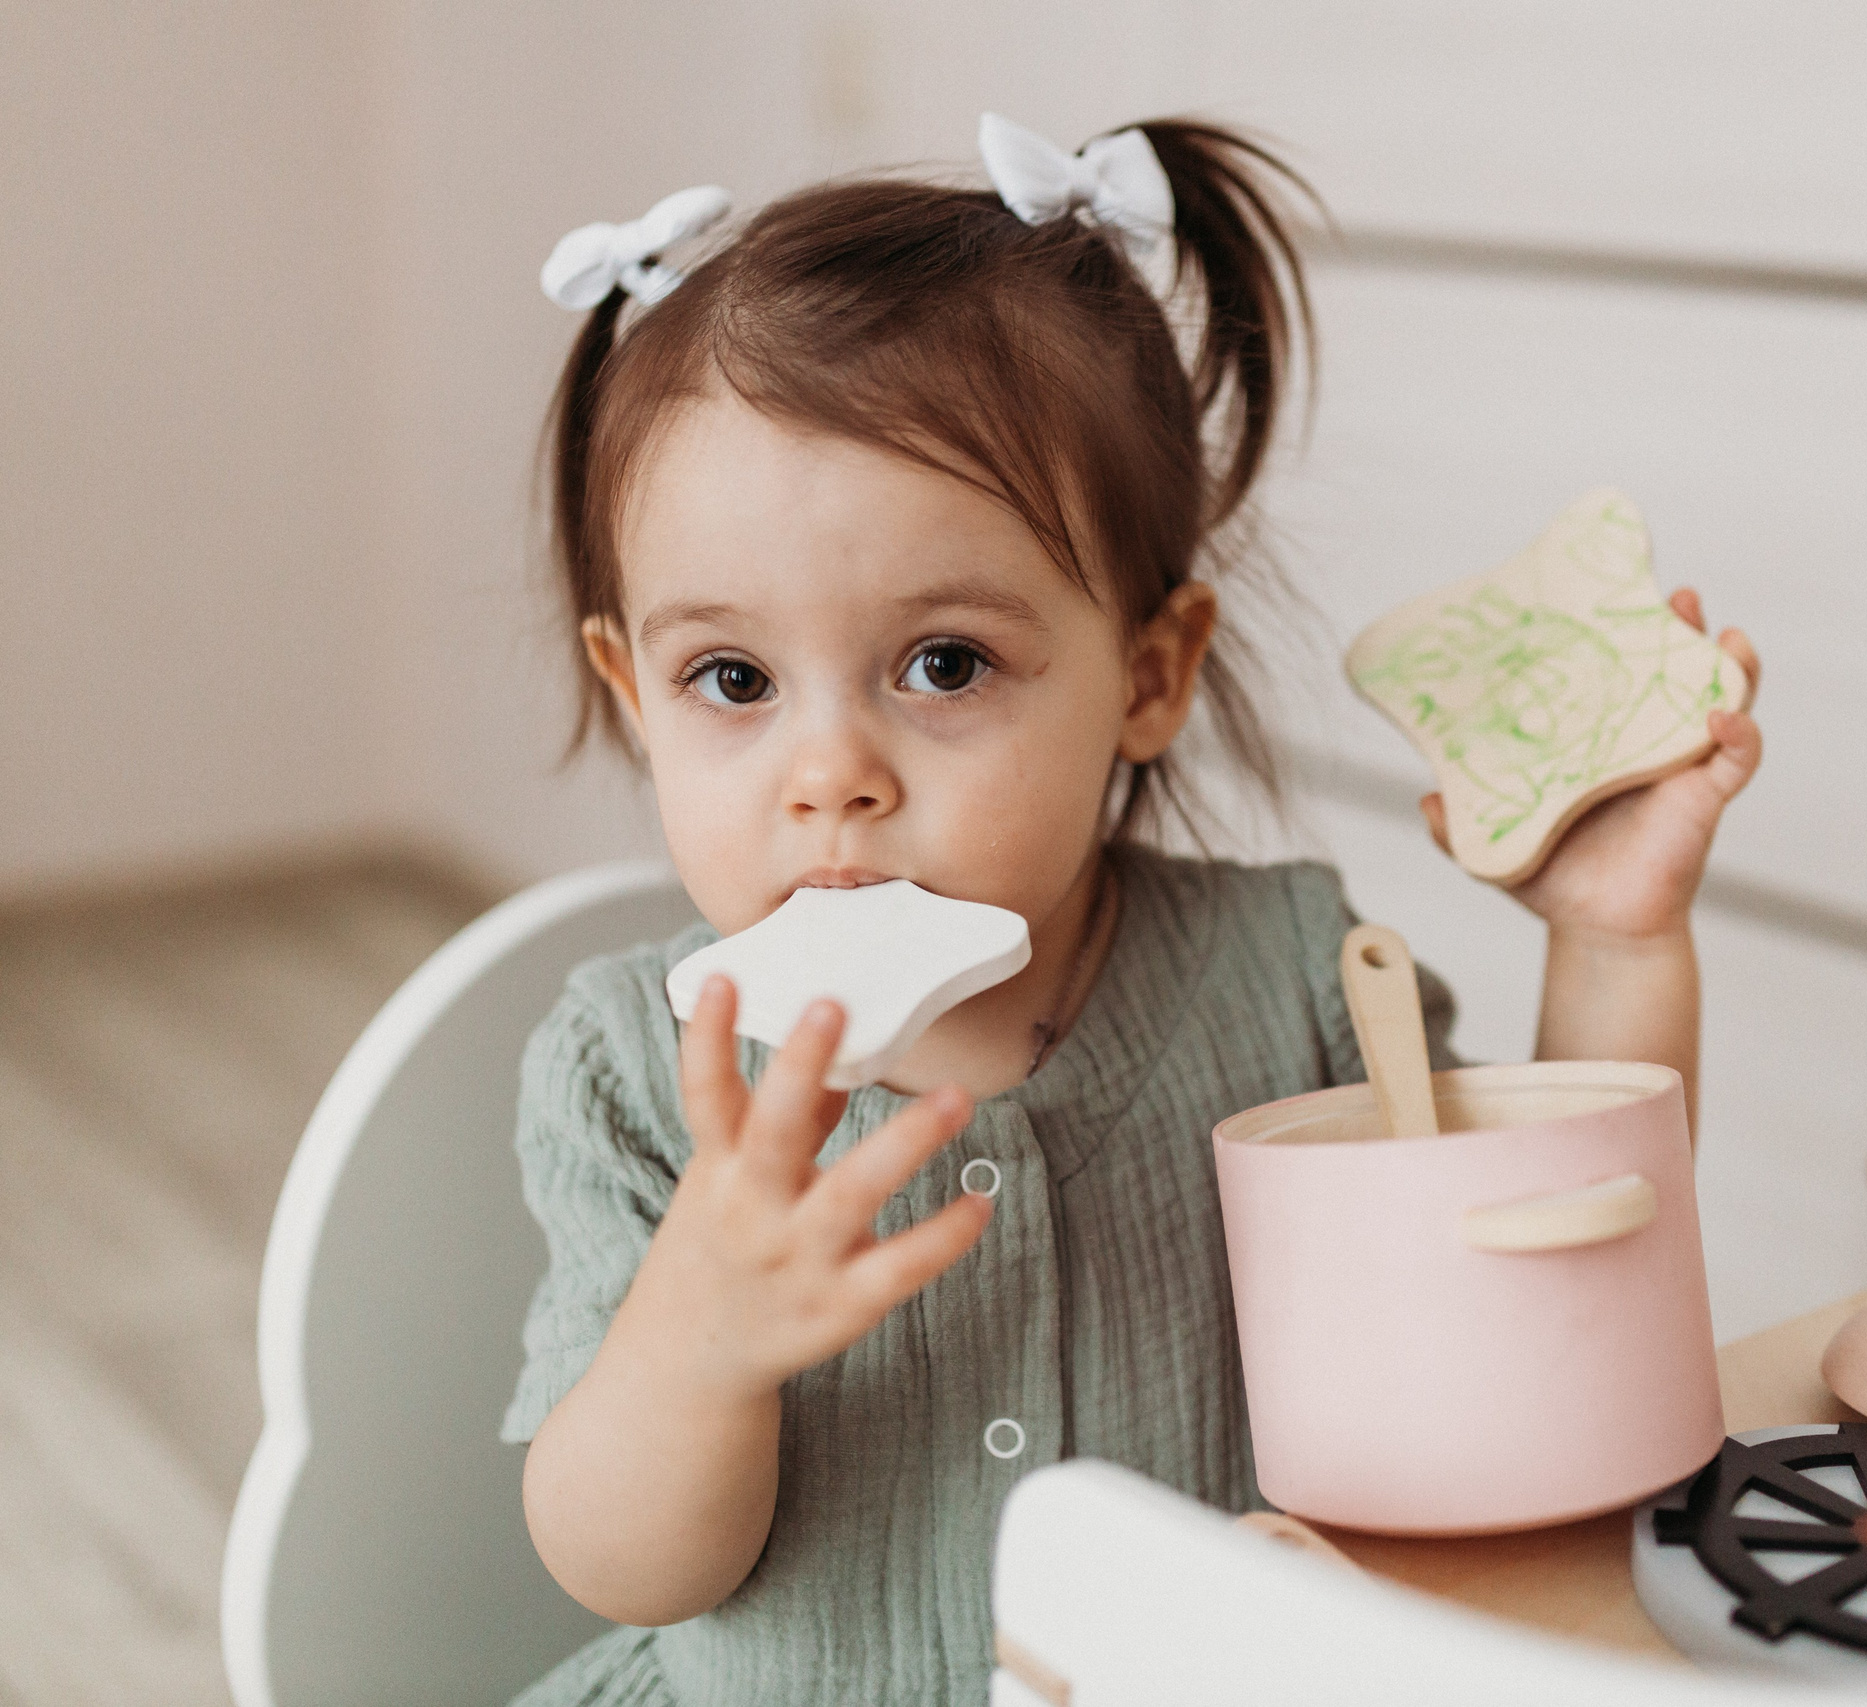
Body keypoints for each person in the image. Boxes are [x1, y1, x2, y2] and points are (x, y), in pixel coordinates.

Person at [503, 113, 1762, 1707]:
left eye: (943, 663)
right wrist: (702, 1340)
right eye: (731, 680)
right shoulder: (630, 1067)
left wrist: (1616, 941)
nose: (830, 775)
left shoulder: (1293, 979)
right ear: (635, 690)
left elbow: (1539, 1309)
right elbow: (626, 1568)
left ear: (1146, 675)